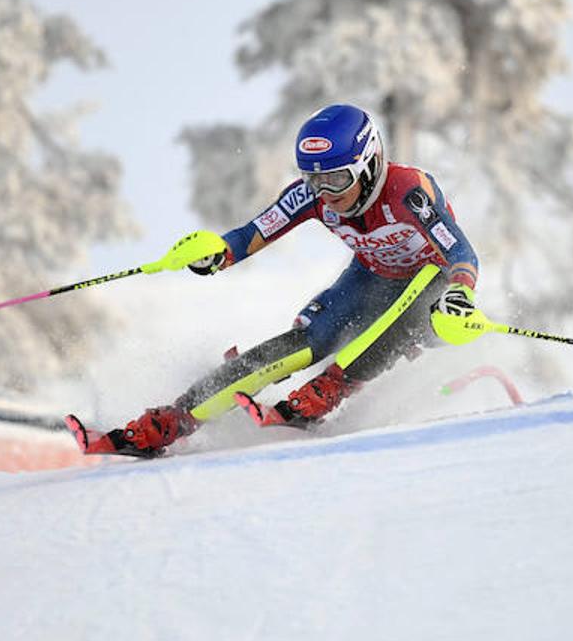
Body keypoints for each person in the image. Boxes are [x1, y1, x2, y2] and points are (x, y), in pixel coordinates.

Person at [68, 103, 480, 458]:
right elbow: (252, 234)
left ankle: (330, 388)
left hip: (433, 294)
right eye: (314, 180)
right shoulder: (313, 197)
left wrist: (459, 293)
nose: (326, 193)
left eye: (337, 179)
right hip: (372, 277)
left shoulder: (408, 192)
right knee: (305, 341)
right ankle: (173, 420)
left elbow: (461, 253)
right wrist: (217, 254)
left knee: (420, 295)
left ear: (369, 165)